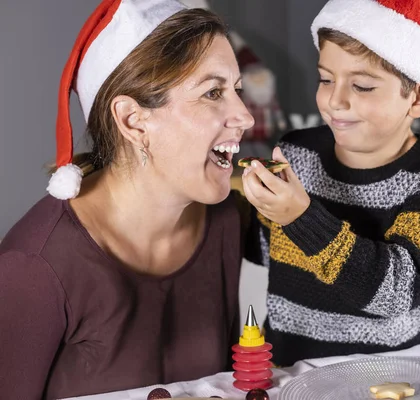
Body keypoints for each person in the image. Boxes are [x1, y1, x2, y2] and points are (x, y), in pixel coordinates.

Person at [0, 1, 254, 398]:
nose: (246, 116)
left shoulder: (226, 221)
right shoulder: (34, 268)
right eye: (213, 92)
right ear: (134, 121)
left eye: (237, 90)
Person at [241, 0, 420, 367]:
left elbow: (397, 292)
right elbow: (258, 248)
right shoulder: (295, 154)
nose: (335, 100)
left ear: (419, 97)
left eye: (363, 86)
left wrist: (301, 218)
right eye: (326, 79)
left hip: (394, 375)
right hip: (290, 370)